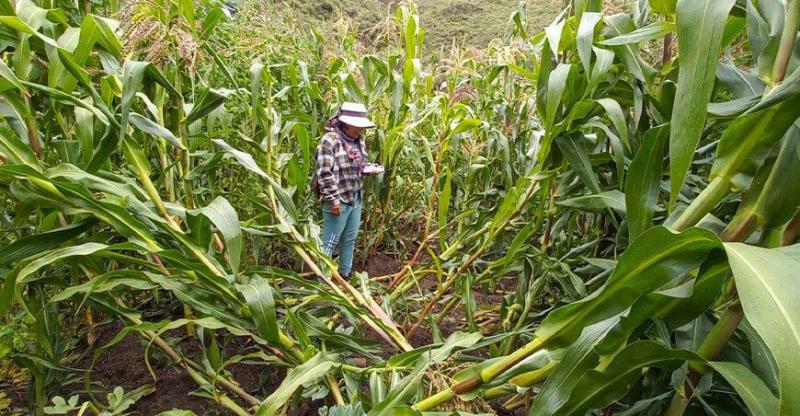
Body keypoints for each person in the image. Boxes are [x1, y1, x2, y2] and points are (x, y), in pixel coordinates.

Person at [313, 102, 381, 278]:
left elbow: (361, 165)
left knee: (349, 239)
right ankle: (323, 280)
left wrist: (369, 169)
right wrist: (333, 199)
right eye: (357, 125)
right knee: (329, 242)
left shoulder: (359, 141)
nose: (360, 129)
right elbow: (324, 171)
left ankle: (345, 274)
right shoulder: (330, 141)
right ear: (346, 123)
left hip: (355, 196)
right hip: (338, 199)